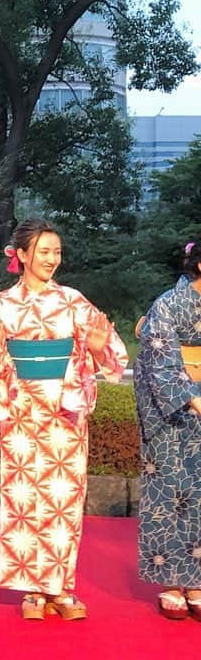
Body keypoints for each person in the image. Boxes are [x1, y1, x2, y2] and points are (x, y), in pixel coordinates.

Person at [0, 218, 127, 620]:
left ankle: (61, 587)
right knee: (24, 500)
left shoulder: (74, 300)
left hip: (64, 413)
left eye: (56, 252)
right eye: (43, 252)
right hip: (22, 413)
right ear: (21, 255)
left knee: (63, 502)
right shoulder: (2, 304)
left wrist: (97, 348)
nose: (52, 259)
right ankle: (32, 591)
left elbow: (112, 354)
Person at [135, 240, 201, 620]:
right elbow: (161, 362)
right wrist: (194, 400)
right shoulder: (168, 305)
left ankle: (196, 578)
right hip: (171, 410)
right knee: (169, 489)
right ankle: (171, 581)